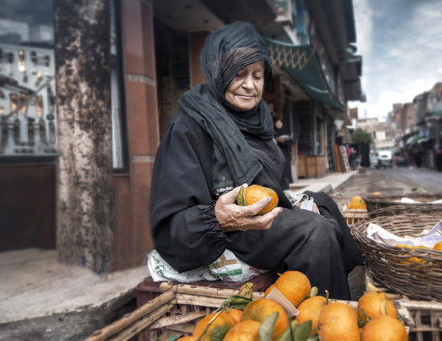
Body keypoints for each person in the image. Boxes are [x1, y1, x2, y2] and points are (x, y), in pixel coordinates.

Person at [149, 22, 364, 300]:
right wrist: (220, 219)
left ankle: (337, 292)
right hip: (226, 230)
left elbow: (269, 184)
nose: (250, 85)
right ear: (217, 72)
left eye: (257, 75)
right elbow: (174, 226)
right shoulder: (188, 127)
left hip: (259, 215)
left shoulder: (258, 119)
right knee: (314, 232)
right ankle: (329, 321)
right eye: (239, 74)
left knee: (323, 202)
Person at [273, 118, 293, 186]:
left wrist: (283, 142)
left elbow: (289, 143)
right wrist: (277, 141)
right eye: (277, 123)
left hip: (284, 151)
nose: (278, 124)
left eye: (280, 123)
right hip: (275, 152)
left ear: (282, 124)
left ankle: (287, 180)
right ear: (275, 124)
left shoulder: (285, 132)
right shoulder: (273, 132)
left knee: (285, 165)